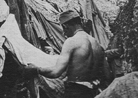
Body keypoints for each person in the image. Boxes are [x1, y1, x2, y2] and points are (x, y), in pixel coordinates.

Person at [25, 10, 110, 98]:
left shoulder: (71, 42)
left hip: (75, 92)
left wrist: (37, 69)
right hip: (93, 92)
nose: (64, 33)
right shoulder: (97, 43)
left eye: (63, 29)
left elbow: (56, 72)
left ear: (65, 26)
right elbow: (107, 74)